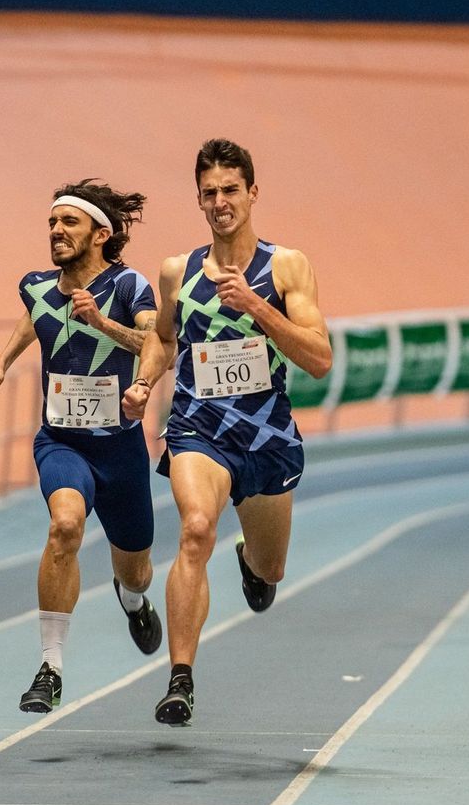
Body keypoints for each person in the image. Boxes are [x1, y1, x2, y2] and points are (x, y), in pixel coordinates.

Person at [122, 138, 331, 726]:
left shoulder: (286, 266)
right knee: (194, 529)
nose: (220, 203)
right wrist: (143, 382)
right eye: (209, 193)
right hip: (197, 429)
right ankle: (180, 678)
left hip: (266, 436)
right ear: (198, 199)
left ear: (253, 193)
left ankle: (251, 562)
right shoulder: (177, 272)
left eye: (230, 190)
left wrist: (257, 307)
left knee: (272, 570)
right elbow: (163, 337)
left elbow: (319, 359)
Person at [0, 181, 162, 714]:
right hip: (61, 442)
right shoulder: (35, 286)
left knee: (138, 570)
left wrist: (103, 324)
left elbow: (156, 342)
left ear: (101, 234)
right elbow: (33, 320)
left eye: (69, 223)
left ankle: (132, 599)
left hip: (121, 449)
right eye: (52, 222)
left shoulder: (129, 286)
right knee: (65, 525)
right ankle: (51, 667)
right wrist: (1, 364)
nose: (56, 231)